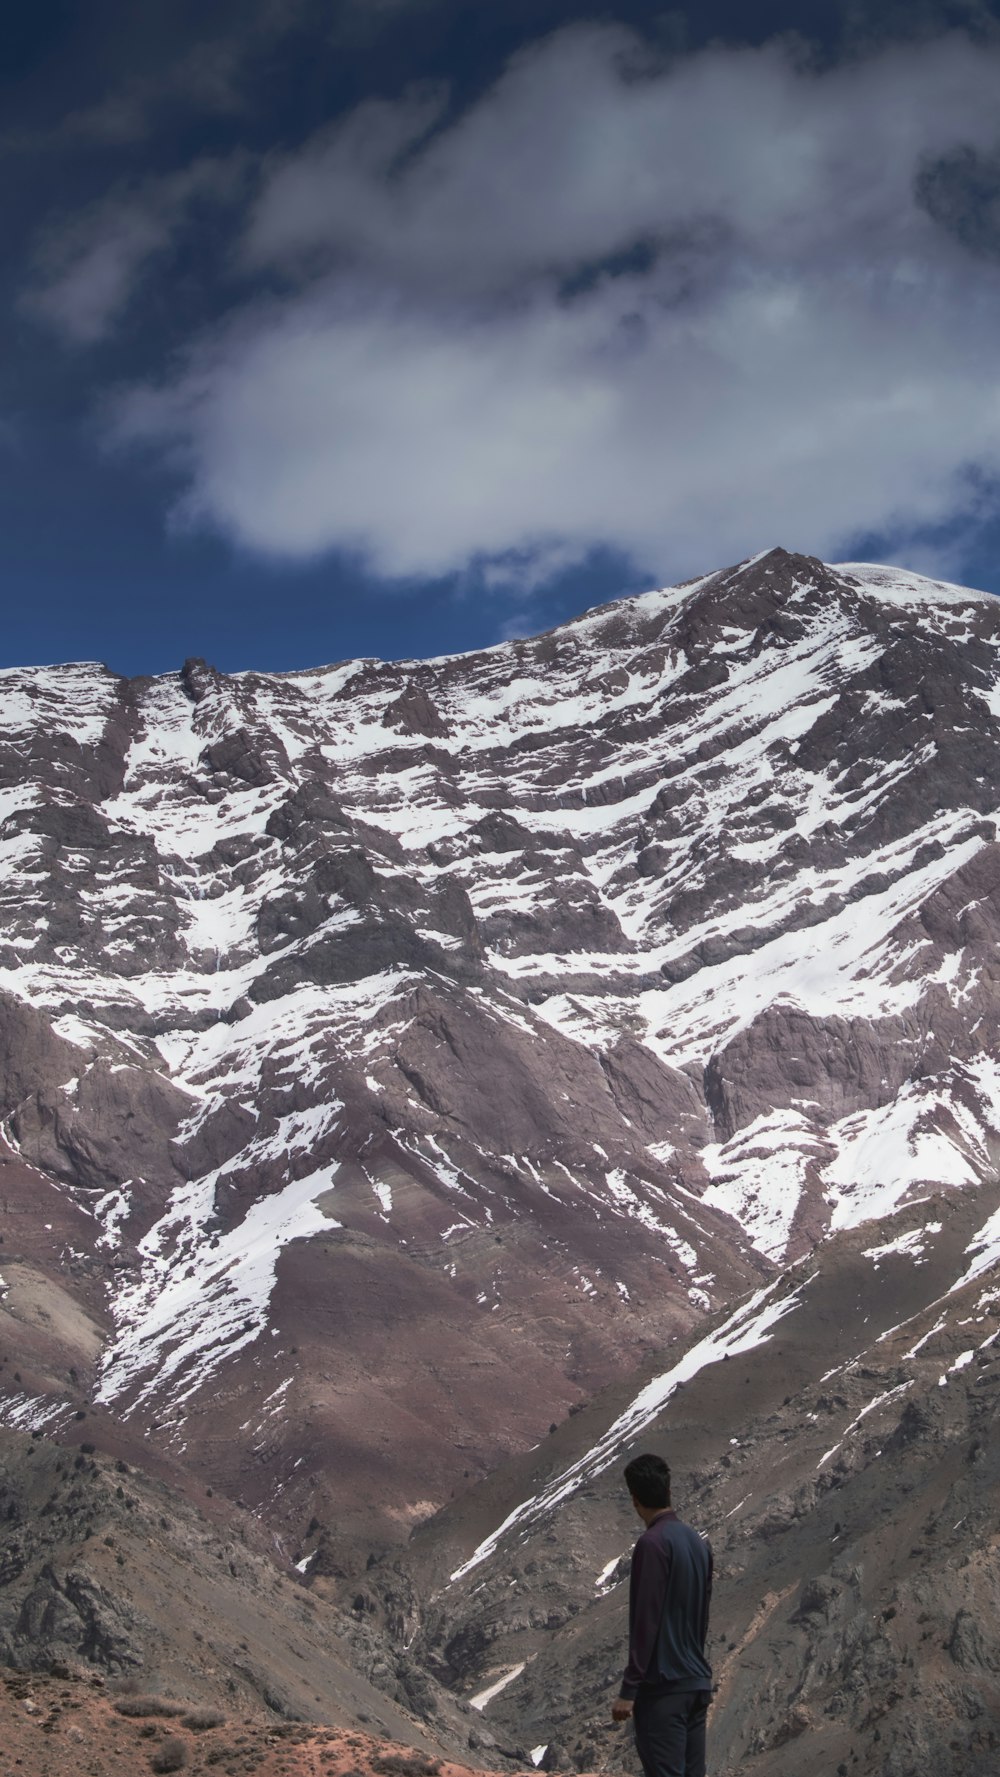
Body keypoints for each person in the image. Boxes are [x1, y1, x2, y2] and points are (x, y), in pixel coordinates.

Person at [610, 1452, 713, 1777]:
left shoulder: (652, 1544)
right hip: (696, 1683)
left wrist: (629, 1690)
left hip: (663, 1688)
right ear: (668, 1491)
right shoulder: (698, 1543)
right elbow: (702, 1616)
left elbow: (646, 1619)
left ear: (635, 1499)